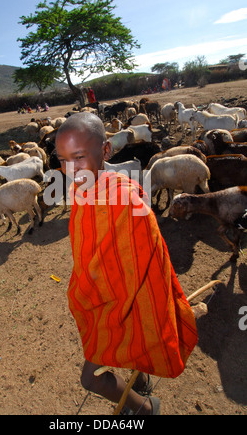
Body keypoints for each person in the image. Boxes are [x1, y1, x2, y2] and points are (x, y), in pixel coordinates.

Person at [55, 113, 198, 415]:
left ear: (105, 151)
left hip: (123, 304)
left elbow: (149, 256)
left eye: (78, 157)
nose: (70, 169)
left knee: (89, 378)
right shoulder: (82, 190)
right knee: (130, 353)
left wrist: (117, 295)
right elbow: (90, 248)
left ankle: (144, 410)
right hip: (103, 297)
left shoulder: (125, 199)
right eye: (63, 159)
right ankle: (141, 381)